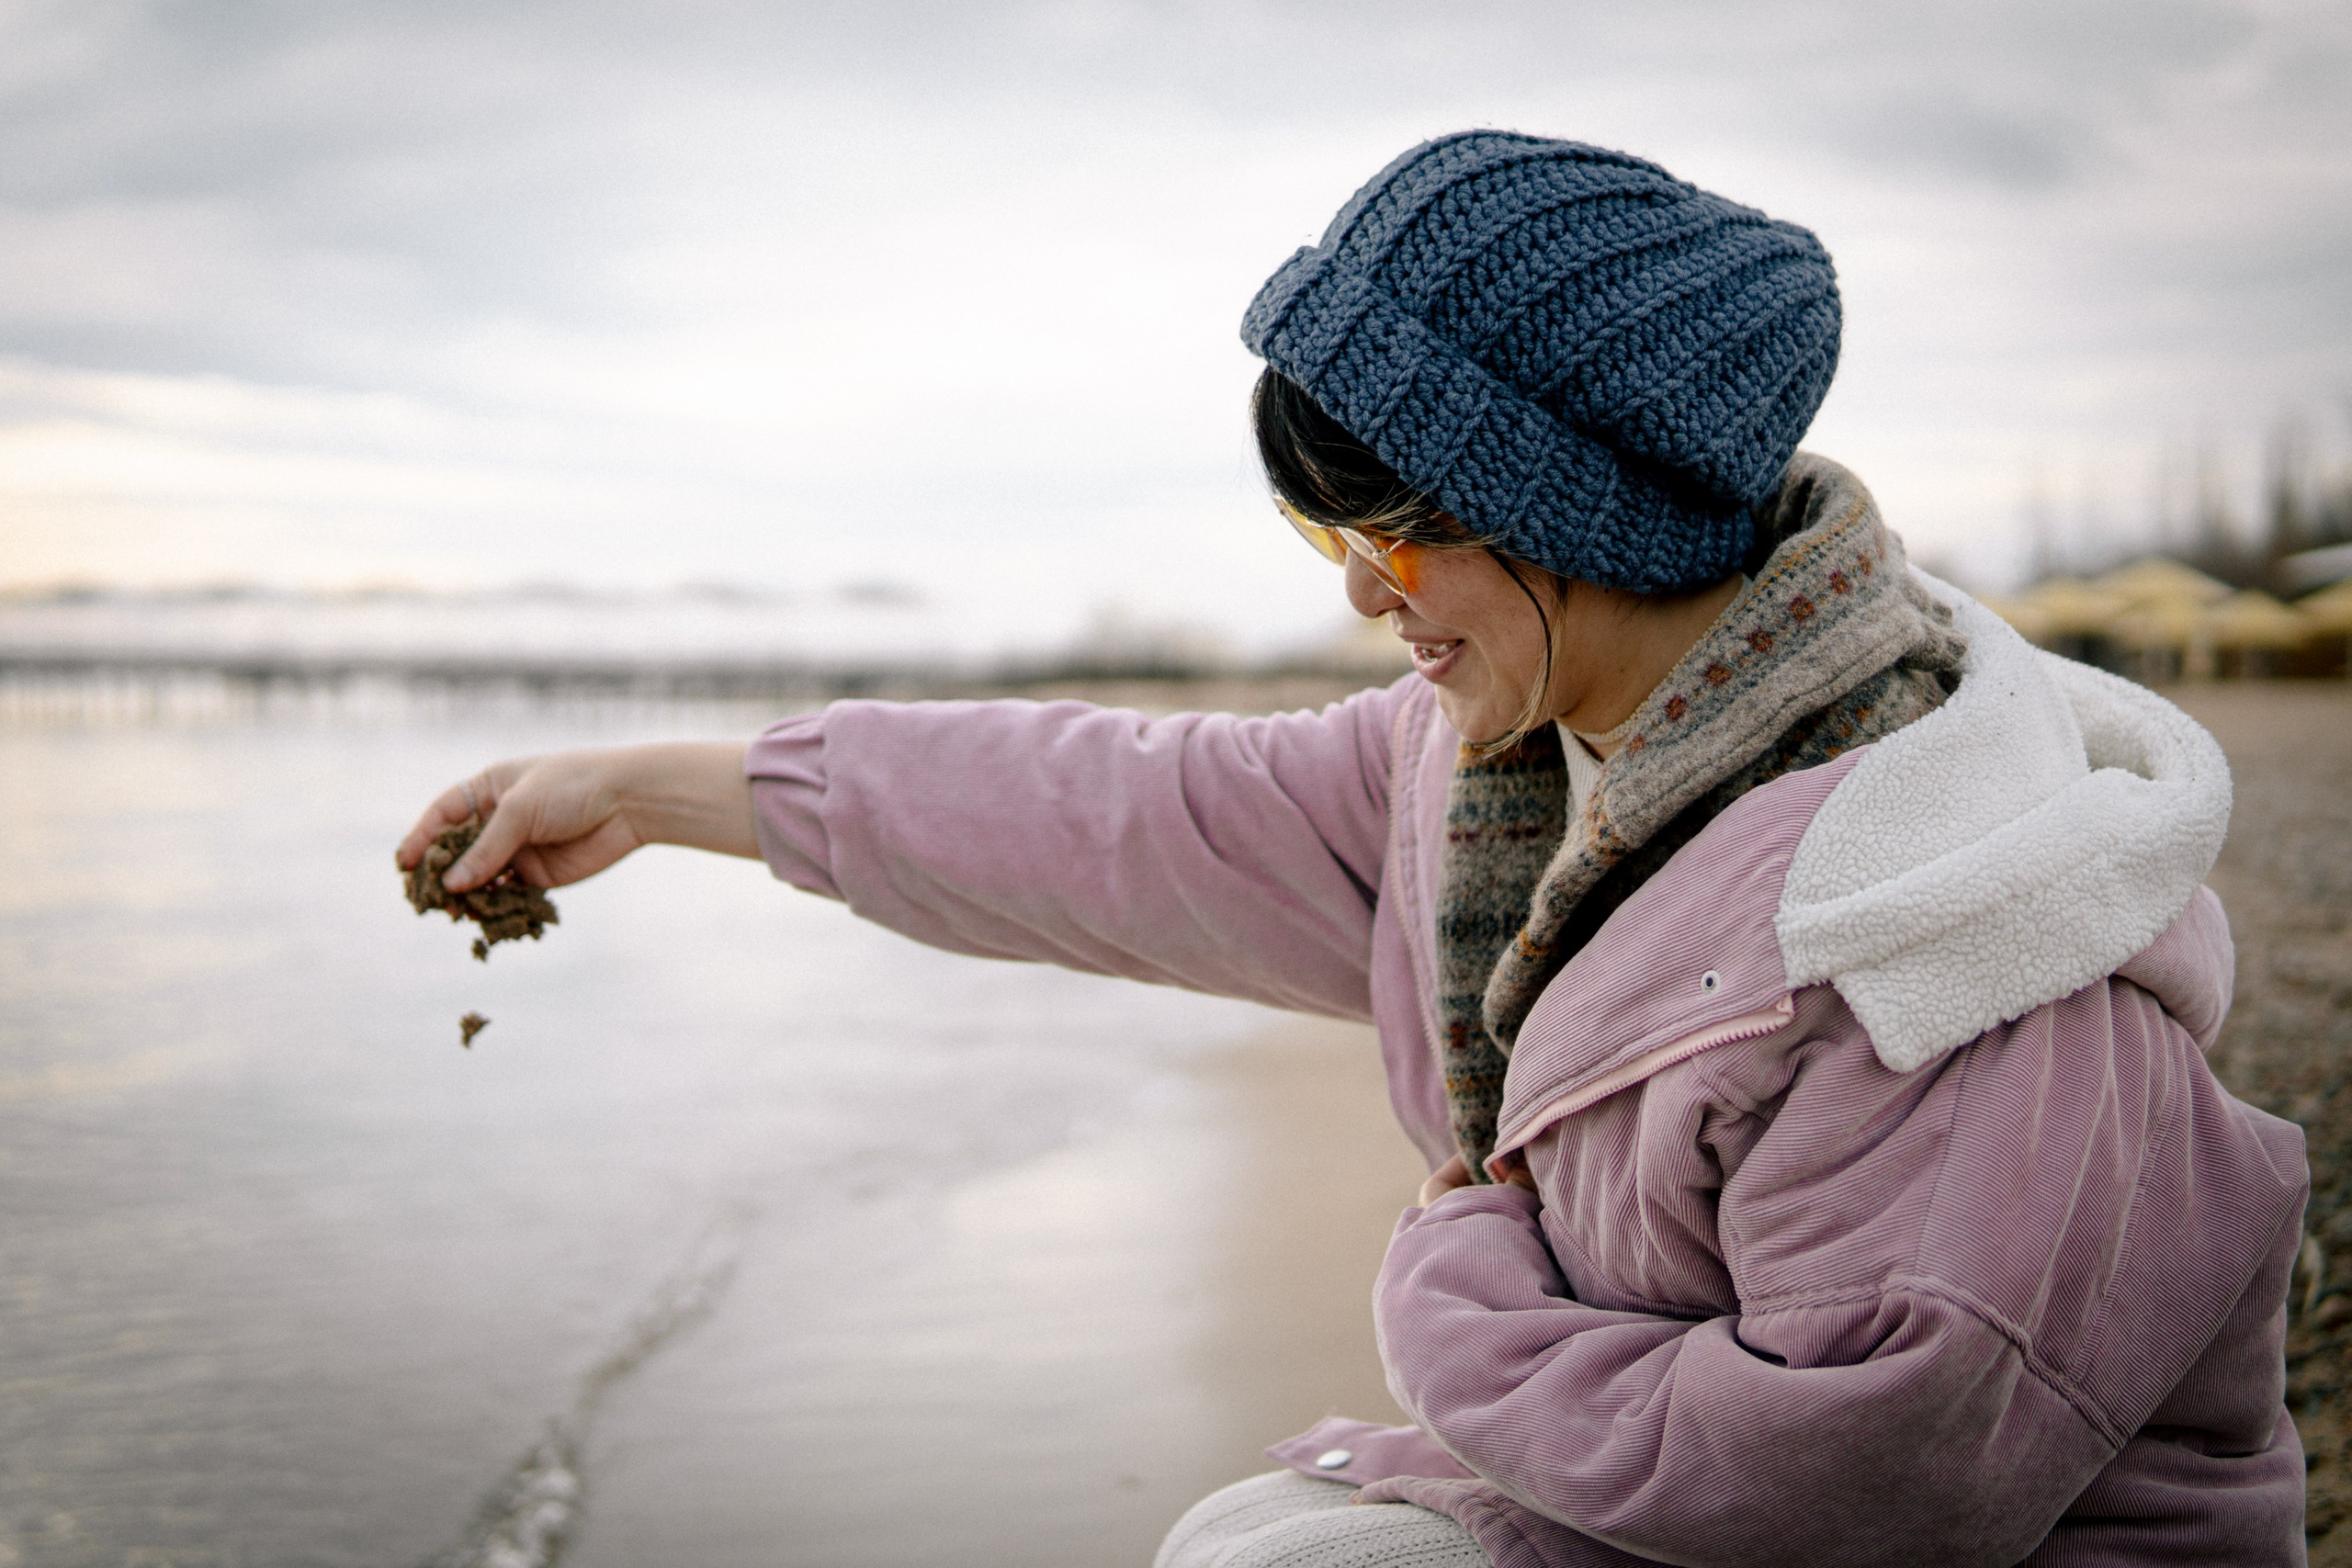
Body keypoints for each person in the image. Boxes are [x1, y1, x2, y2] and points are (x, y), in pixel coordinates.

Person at [398, 131, 2307, 1566]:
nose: (1360, 600)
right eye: (1324, 544)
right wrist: (653, 789)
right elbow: (1113, 814)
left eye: (1388, 534)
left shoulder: (1936, 935)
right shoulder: (1517, 772)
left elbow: (1851, 1478)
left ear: (1585, 507)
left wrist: (1451, 1279)